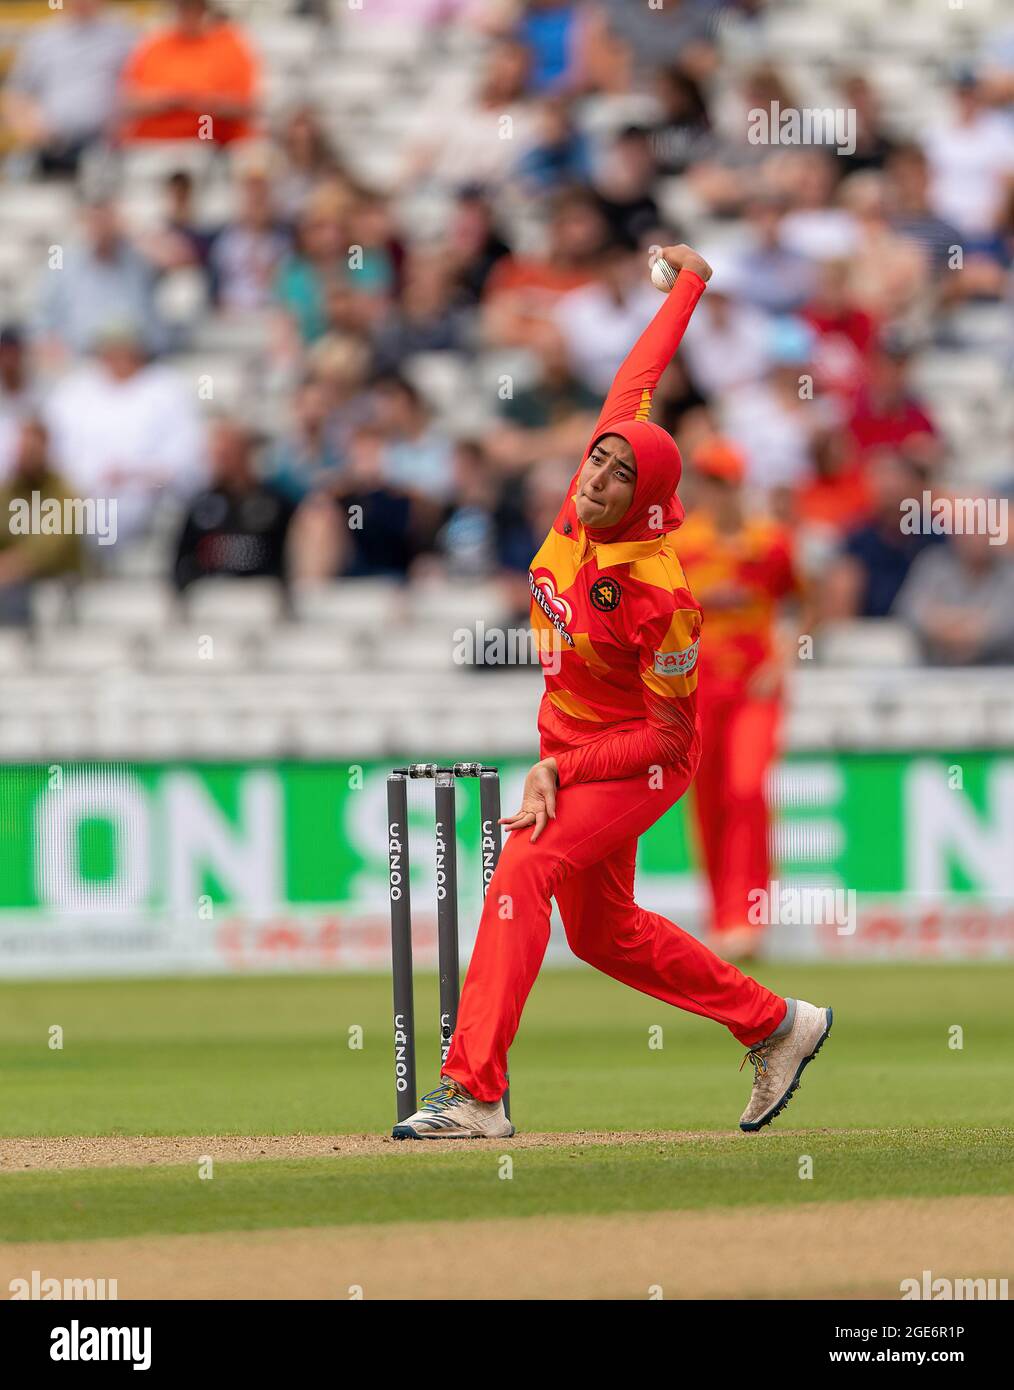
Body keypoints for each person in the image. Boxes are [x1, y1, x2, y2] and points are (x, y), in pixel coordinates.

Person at [393, 245, 833, 1141]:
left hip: (640, 759)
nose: (593, 483)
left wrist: (564, 767)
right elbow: (639, 377)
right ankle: (776, 1025)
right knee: (605, 934)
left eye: (618, 476)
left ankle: (475, 1091)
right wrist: (691, 286)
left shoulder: (661, 597)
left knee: (525, 863)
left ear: (651, 498)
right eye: (595, 463)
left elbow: (672, 742)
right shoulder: (579, 496)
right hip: (576, 749)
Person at [676, 439, 801, 959]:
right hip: (698, 689)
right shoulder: (680, 546)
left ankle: (748, 918)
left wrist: (785, 658)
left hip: (755, 686)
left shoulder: (770, 543)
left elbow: (804, 602)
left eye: (727, 481)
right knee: (706, 800)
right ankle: (722, 917)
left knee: (747, 790)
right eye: (711, 480)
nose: (719, 491)